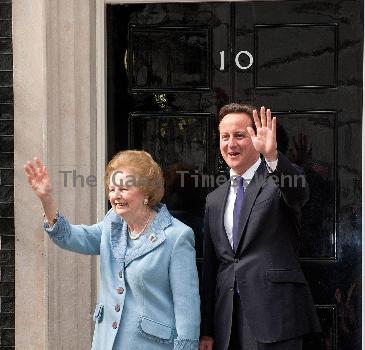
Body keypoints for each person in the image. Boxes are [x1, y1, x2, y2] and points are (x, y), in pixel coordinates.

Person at [24, 150, 200, 350]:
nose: (116, 196)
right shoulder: (112, 224)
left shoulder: (176, 236)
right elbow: (70, 238)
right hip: (107, 342)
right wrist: (47, 200)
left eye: (124, 188)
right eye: (112, 189)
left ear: (146, 192)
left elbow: (187, 308)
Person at [199, 104, 321, 350]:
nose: (231, 144)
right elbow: (211, 268)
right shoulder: (214, 199)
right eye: (225, 137)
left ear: (255, 138)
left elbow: (299, 194)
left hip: (275, 318)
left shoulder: (278, 180)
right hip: (227, 324)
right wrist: (207, 331)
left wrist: (273, 156)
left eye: (240, 135)